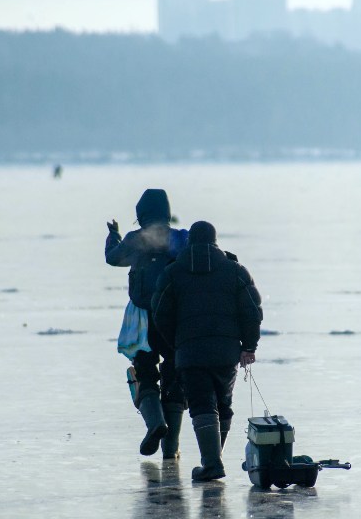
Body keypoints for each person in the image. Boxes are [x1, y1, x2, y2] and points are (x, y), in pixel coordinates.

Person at [152, 221, 263, 482]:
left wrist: (176, 343)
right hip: (226, 353)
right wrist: (249, 346)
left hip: (190, 352)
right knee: (222, 404)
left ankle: (212, 464)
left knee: (202, 404)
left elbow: (160, 313)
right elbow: (252, 312)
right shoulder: (235, 270)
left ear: (190, 241)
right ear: (215, 241)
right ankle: (213, 461)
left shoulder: (173, 272)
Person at [106, 189, 189, 458]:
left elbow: (113, 258)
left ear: (141, 214)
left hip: (141, 316)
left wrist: (113, 235)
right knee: (175, 375)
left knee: (144, 371)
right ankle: (171, 448)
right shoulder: (180, 238)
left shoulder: (135, 239)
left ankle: (155, 423)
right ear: (166, 212)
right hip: (175, 317)